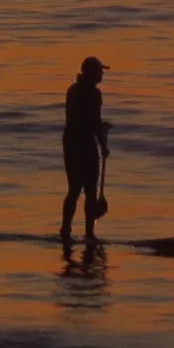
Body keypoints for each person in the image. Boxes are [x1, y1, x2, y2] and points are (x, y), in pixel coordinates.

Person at [60, 56, 111, 243]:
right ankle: (86, 233)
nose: (101, 75)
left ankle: (67, 229)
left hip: (74, 142)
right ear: (89, 73)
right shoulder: (91, 94)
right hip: (80, 144)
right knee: (84, 189)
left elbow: (89, 121)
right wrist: (103, 144)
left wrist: (100, 130)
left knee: (78, 189)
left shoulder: (73, 91)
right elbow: (92, 121)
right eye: (99, 72)